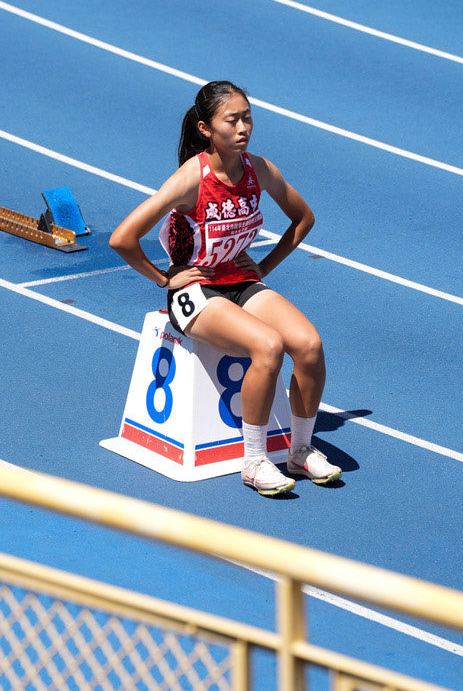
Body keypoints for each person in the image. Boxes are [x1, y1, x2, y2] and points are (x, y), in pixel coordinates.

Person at [109, 81, 341, 496]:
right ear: (206, 128)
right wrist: (164, 278)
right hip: (194, 292)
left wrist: (264, 266)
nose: (243, 128)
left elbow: (303, 218)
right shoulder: (190, 178)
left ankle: (300, 450)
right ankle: (254, 461)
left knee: (309, 345)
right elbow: (122, 238)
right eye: (232, 120)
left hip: (239, 279)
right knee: (268, 346)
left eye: (247, 117)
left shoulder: (260, 170)